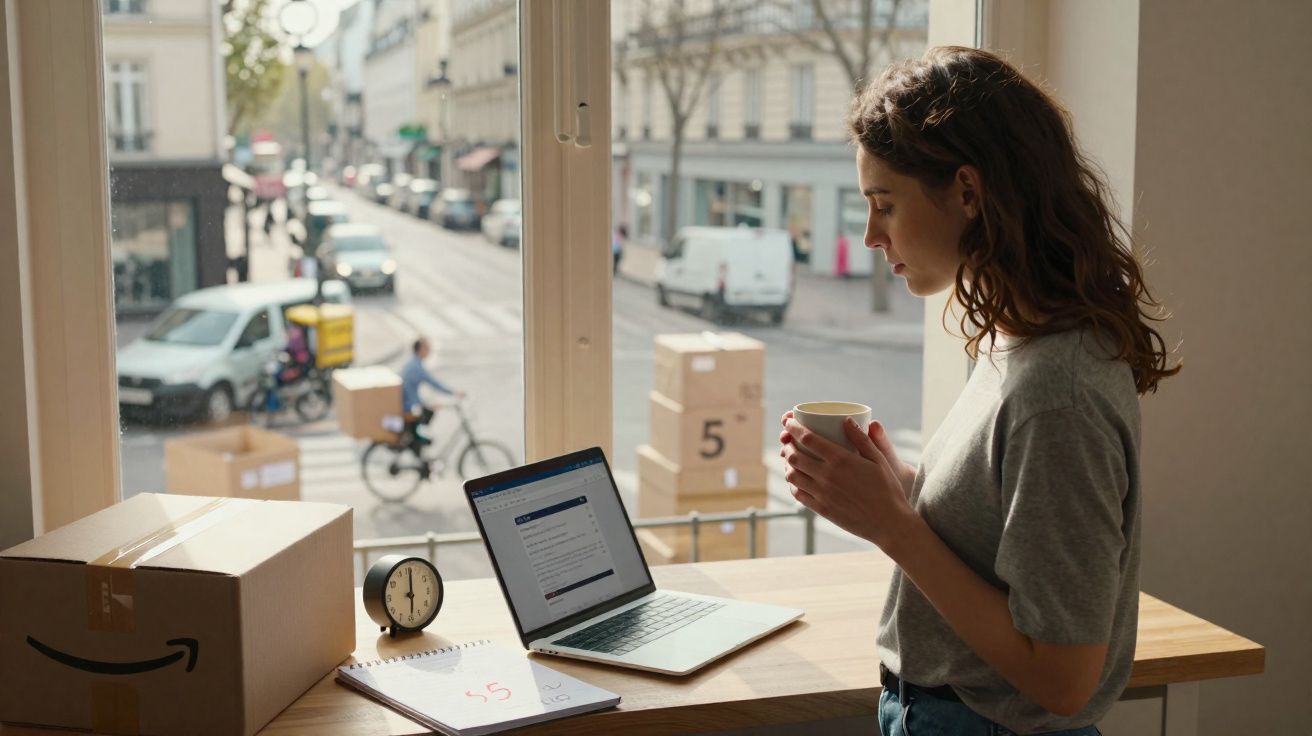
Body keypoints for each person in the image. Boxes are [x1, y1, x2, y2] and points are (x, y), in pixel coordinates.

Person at [778, 46, 1179, 736]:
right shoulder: (1018, 339)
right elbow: (1004, 540)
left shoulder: (1058, 391)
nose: (871, 235)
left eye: (885, 204)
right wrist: (894, 489)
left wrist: (895, 529)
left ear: (968, 191)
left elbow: (1063, 677)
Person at [399, 337, 463, 455]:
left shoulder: (413, 363)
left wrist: (427, 403)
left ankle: (419, 444)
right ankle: (419, 444)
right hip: (409, 406)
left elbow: (412, 391)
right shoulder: (416, 367)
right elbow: (434, 383)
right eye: (428, 348)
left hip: (408, 402)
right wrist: (454, 392)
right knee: (426, 418)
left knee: (429, 410)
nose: (429, 351)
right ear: (421, 349)